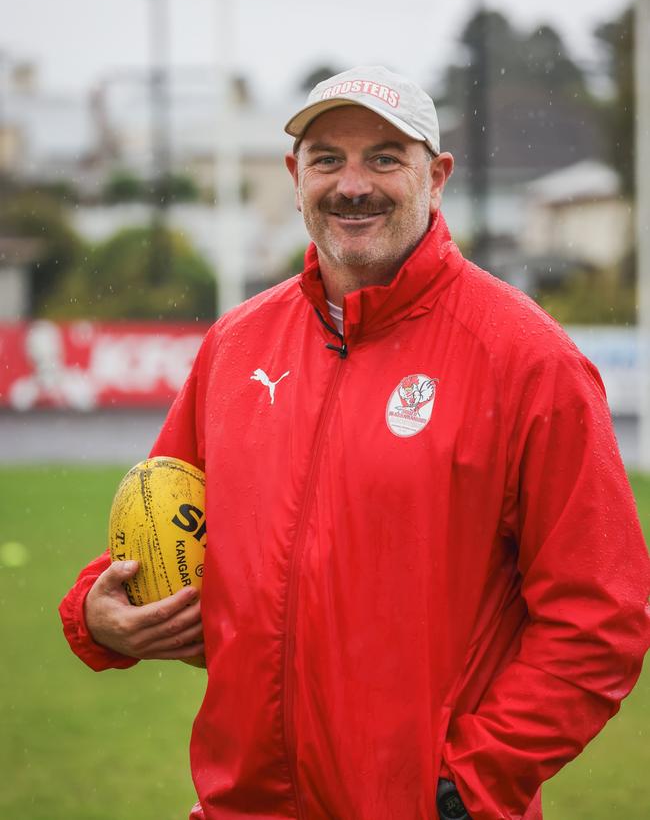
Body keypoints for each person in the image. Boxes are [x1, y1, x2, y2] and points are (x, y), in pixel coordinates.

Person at [60, 66, 650, 820]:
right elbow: (159, 516)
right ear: (294, 175)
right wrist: (95, 615)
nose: (353, 184)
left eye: (384, 156)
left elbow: (601, 614)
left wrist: (469, 783)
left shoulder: (528, 359)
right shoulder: (237, 346)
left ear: (436, 176)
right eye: (327, 158)